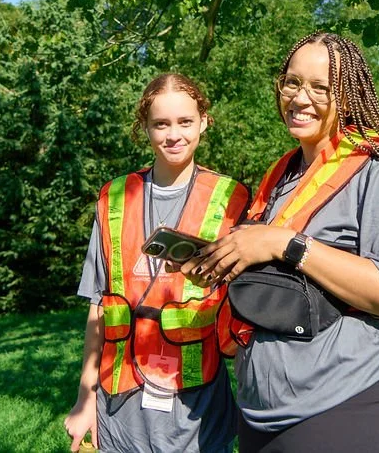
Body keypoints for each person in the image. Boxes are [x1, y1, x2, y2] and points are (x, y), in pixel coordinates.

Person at [184, 32, 379, 453]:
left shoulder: (378, 169)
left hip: (347, 409)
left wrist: (287, 244)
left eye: (321, 87)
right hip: (262, 416)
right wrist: (221, 262)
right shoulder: (282, 174)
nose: (301, 98)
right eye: (292, 82)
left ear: (350, 95)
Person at [65, 73, 250, 453]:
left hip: (198, 410)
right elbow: (99, 305)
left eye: (185, 122)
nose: (173, 134)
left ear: (204, 122)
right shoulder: (114, 197)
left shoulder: (232, 199)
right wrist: (86, 400)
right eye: (160, 124)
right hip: (120, 410)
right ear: (144, 128)